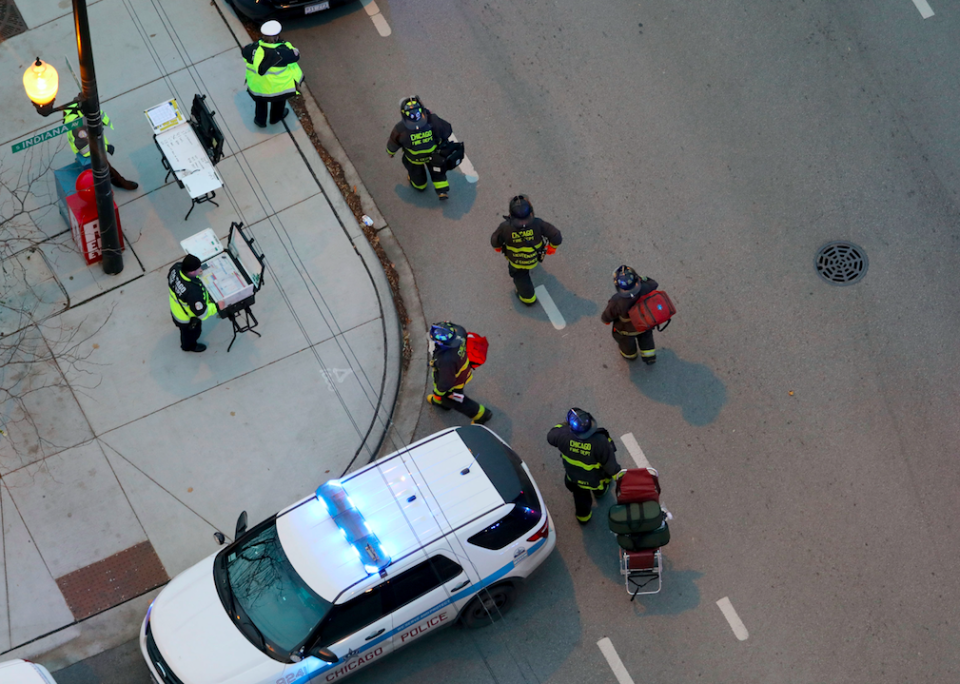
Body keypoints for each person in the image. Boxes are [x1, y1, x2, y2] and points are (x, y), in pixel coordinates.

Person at [547, 409, 624, 524]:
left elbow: (551, 435)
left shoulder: (562, 435)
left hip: (574, 478)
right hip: (595, 479)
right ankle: (600, 493)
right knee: (601, 486)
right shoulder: (600, 441)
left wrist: (564, 425)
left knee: (581, 499)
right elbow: (610, 466)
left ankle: (584, 518)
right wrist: (623, 480)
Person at [489, 194, 562, 305]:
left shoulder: (505, 227)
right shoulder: (538, 224)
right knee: (526, 268)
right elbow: (556, 236)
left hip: (516, 262)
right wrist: (552, 248)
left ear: (510, 214)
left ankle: (528, 298)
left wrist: (498, 248)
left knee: (520, 277)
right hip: (533, 258)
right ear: (531, 212)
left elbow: (495, 241)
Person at [387, 96, 453, 200]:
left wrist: (390, 152)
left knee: (415, 172)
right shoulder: (432, 120)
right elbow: (447, 130)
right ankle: (442, 190)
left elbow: (393, 142)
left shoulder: (400, 128)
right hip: (434, 156)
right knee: (437, 170)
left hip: (415, 159)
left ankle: (420, 186)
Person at [427, 322, 492, 424]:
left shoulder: (446, 360)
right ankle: (441, 402)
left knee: (456, 400)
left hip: (454, 381)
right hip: (461, 370)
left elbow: (446, 383)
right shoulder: (459, 332)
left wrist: (438, 392)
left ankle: (481, 414)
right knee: (447, 397)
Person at [241, 20, 303, 128]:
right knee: (278, 103)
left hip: (258, 86)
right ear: (277, 36)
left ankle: (260, 121)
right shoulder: (283, 52)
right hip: (277, 88)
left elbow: (244, 51)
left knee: (260, 103)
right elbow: (296, 55)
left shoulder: (252, 48)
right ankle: (275, 117)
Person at [63, 104, 139, 190]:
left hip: (91, 140)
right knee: (104, 165)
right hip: (87, 149)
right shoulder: (77, 123)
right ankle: (119, 182)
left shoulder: (85, 106)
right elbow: (84, 147)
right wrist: (106, 148)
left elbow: (99, 117)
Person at [601, 265, 659, 364]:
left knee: (626, 344)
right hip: (645, 325)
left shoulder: (617, 301)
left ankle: (630, 356)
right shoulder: (645, 288)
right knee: (647, 340)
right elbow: (654, 283)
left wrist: (605, 321)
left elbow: (606, 317)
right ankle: (649, 357)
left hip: (627, 332)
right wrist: (642, 279)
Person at [168, 254, 218, 352]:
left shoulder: (176, 267)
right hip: (185, 318)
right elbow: (201, 313)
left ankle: (187, 342)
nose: (200, 270)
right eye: (198, 268)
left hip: (176, 308)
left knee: (185, 332)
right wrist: (217, 306)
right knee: (192, 333)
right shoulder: (192, 292)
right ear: (191, 272)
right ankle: (188, 346)